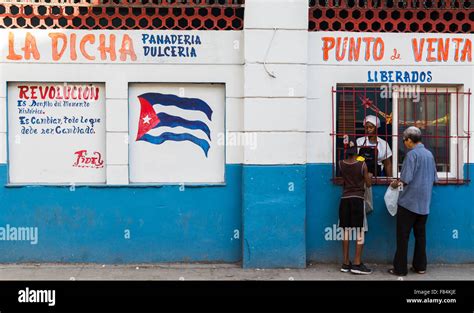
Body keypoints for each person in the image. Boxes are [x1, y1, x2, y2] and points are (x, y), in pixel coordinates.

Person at [389, 126, 438, 276]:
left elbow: (406, 179)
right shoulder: (429, 155)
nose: (404, 143)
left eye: (404, 140)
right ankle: (420, 266)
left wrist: (394, 183)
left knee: (402, 237)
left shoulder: (411, 155)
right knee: (420, 235)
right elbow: (435, 178)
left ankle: (400, 269)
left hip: (409, 203)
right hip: (424, 203)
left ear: (410, 140)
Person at [338, 136, 373, 275]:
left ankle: (345, 263)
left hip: (345, 199)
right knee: (360, 231)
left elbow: (342, 180)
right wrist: (368, 175)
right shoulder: (362, 164)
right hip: (358, 199)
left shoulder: (341, 164)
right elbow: (368, 183)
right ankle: (357, 263)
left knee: (345, 231)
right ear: (356, 151)